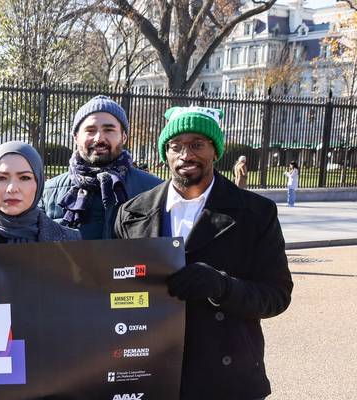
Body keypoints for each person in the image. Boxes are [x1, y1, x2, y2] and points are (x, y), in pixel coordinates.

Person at [114, 107, 292, 400]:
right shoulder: (132, 213)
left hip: (227, 376)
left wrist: (223, 286)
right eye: (176, 146)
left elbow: (277, 295)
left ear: (215, 151)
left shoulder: (256, 213)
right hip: (153, 372)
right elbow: (117, 293)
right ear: (165, 153)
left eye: (197, 144)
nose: (186, 155)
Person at [41, 95, 163, 240]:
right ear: (76, 137)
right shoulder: (47, 193)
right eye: (90, 130)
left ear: (124, 137)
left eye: (109, 130)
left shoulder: (155, 190)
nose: (99, 138)